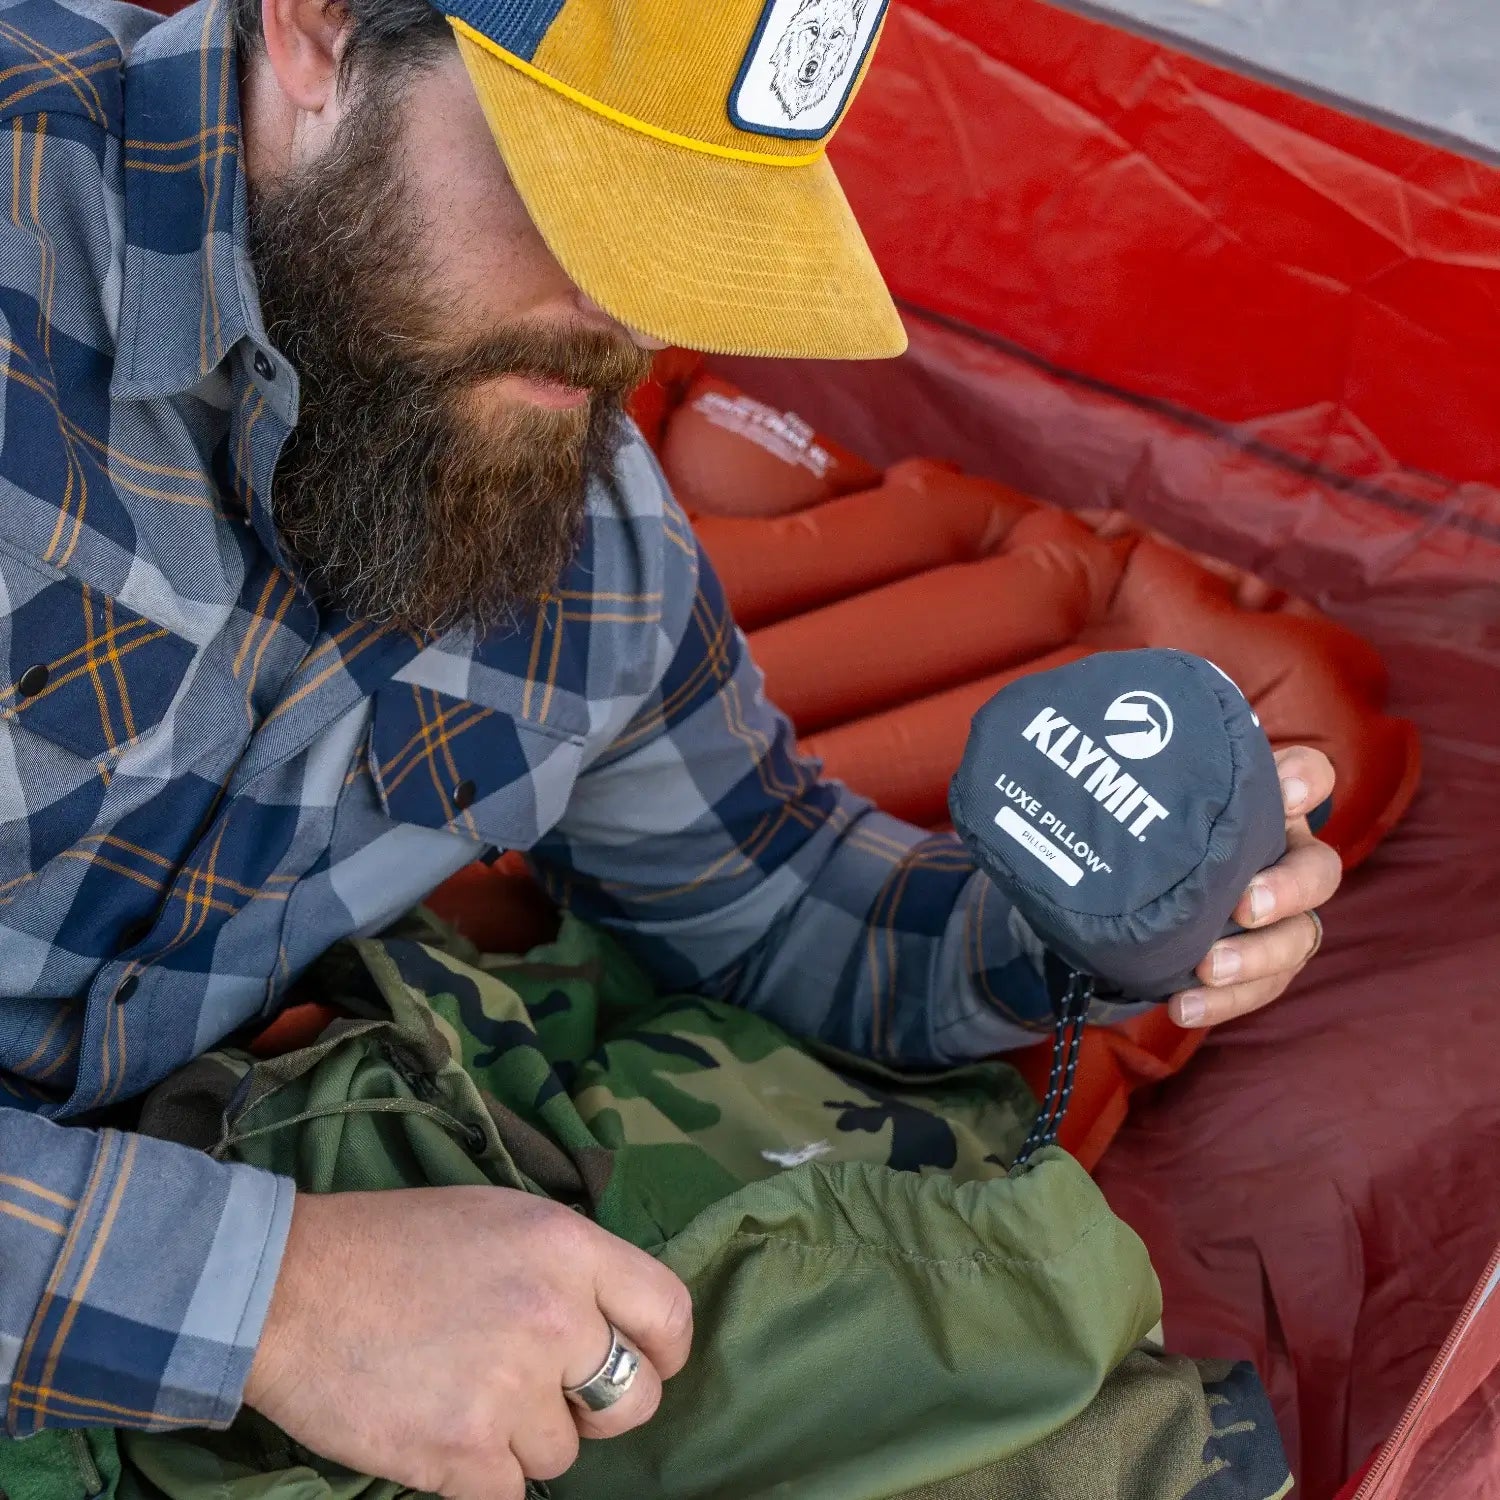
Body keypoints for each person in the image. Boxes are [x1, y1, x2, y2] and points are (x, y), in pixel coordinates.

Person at [0, 0, 1341, 1494]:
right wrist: (268, 1299)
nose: (634, 321)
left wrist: (1097, 913)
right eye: (584, 204)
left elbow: (778, 887)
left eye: (694, 240)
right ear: (316, 31)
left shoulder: (573, 524)